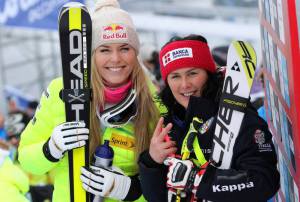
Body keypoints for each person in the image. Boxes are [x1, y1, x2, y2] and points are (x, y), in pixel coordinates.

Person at [18, 0, 159, 202]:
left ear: (136, 53)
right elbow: (26, 160)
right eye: (104, 50)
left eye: (125, 48)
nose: (116, 59)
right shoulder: (60, 92)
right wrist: (51, 148)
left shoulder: (152, 101)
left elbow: (166, 185)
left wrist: (132, 190)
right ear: (91, 54)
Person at [138, 34, 280, 202]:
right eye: (175, 76)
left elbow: (264, 181)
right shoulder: (170, 124)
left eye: (192, 73)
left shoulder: (240, 118)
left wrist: (199, 181)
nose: (184, 84)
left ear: (208, 73)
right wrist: (151, 162)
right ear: (167, 81)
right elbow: (157, 198)